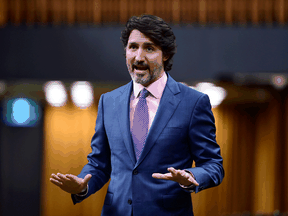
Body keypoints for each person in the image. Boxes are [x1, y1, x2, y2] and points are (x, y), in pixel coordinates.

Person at [50, 14, 224, 216]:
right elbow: (99, 164)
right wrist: (82, 185)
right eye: (133, 47)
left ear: (165, 54)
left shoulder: (193, 102)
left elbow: (213, 165)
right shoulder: (109, 101)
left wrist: (190, 175)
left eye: (149, 48)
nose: (139, 57)